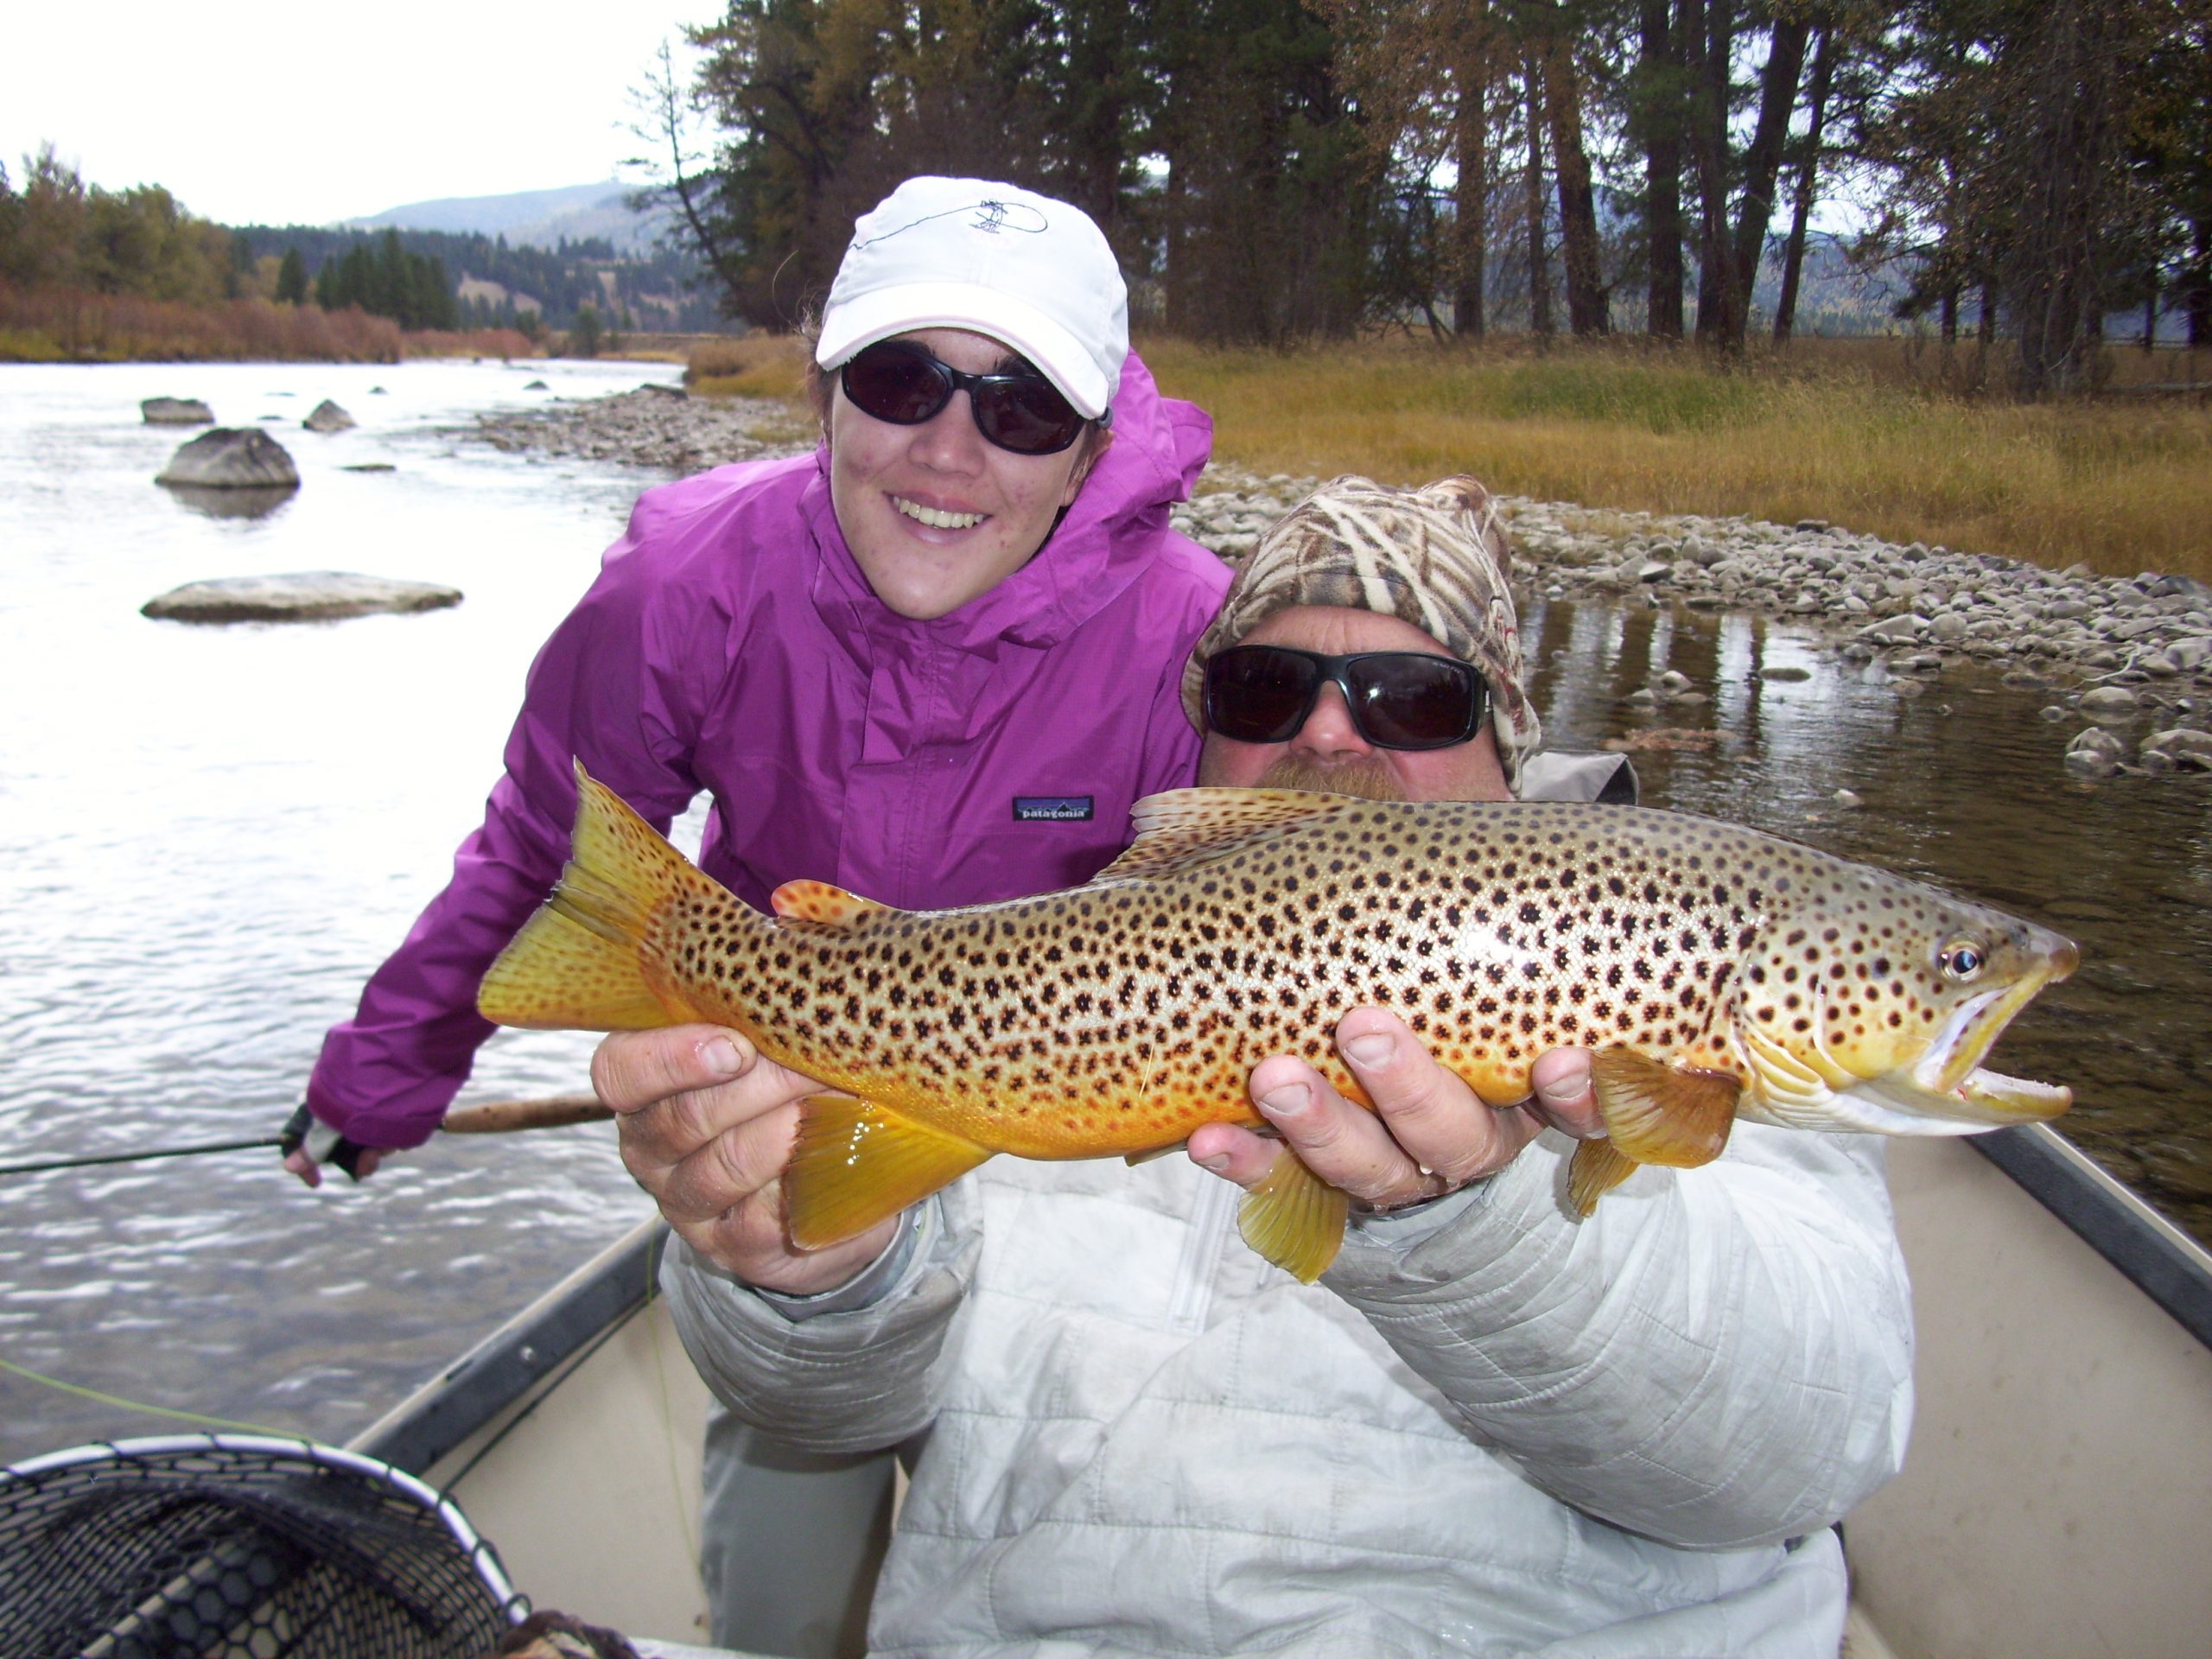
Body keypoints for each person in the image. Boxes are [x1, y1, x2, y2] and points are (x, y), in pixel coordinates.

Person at [603, 474, 1916, 1657]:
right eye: (1264, 689)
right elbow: (825, 1408)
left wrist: (1484, 1227)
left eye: (1414, 697)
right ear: (1205, 744)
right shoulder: (1047, 991)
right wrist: (809, 1282)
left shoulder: (1679, 986)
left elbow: (1796, 1454)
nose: (1334, 738)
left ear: (1507, 757)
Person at [279, 175, 1236, 1649]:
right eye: (903, 378)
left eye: (1022, 408)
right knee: (782, 1582)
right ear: (827, 391)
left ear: (1090, 447)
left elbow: (1239, 925)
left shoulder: (1192, 634)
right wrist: (385, 1076)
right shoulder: (681, 586)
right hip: (776, 1132)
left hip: (1074, 1151)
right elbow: (551, 849)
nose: (949, 450)